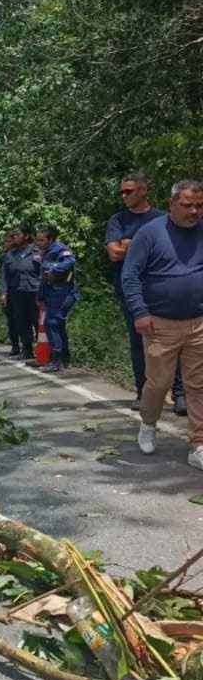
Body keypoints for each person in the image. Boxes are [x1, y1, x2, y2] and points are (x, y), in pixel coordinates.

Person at [121, 180, 203, 468]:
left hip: (198, 322)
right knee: (159, 383)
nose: (194, 211)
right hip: (159, 323)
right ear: (171, 204)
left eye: (198, 205)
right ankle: (148, 423)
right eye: (187, 205)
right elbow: (130, 276)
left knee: (198, 384)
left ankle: (198, 444)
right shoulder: (150, 234)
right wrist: (140, 312)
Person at [105, 172, 186, 414]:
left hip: (164, 291)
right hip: (132, 291)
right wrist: (128, 247)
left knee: (177, 342)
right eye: (122, 191)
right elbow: (114, 253)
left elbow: (174, 251)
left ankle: (180, 393)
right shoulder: (117, 221)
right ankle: (143, 390)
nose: (124, 195)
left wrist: (131, 245)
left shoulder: (162, 219)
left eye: (128, 191)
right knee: (138, 341)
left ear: (143, 191)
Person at [35, 225, 78, 374]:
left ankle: (56, 361)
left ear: (50, 239)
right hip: (51, 292)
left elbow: (70, 262)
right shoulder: (44, 253)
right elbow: (43, 278)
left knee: (51, 323)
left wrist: (54, 269)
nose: (38, 243)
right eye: (37, 240)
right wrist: (40, 297)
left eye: (41, 240)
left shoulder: (60, 250)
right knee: (58, 325)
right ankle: (64, 359)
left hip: (64, 293)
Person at [0, 223, 39, 360]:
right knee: (21, 321)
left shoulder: (36, 251)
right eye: (13, 235)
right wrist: (4, 293)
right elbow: (4, 275)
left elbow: (44, 272)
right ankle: (26, 349)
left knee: (37, 321)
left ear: (26, 236)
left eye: (18, 234)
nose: (15, 237)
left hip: (34, 291)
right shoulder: (9, 255)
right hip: (16, 292)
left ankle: (43, 349)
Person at [0, 228, 21, 355]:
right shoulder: (5, 256)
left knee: (23, 320)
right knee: (11, 321)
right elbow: (1, 275)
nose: (7, 244)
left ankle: (28, 347)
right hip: (8, 291)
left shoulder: (24, 253)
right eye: (5, 242)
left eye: (9, 241)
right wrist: (3, 292)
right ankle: (15, 346)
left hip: (22, 291)